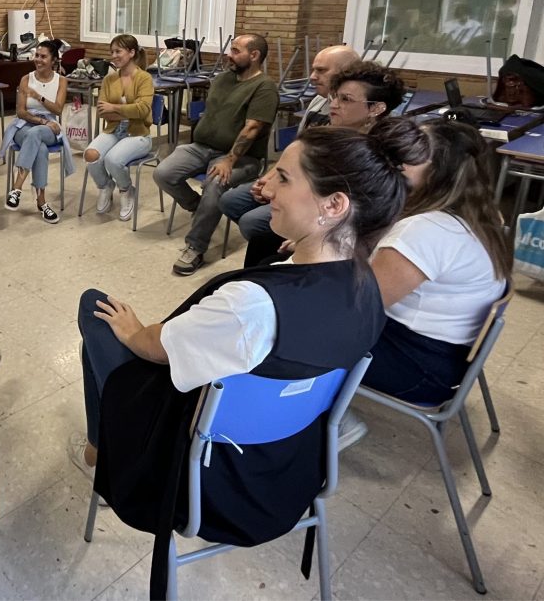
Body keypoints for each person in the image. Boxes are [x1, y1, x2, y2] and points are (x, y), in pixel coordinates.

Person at [71, 121, 418, 597]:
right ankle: (99, 443)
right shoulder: (369, 291)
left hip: (202, 482)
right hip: (289, 469)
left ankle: (102, 446)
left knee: (96, 310)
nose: (266, 187)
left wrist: (133, 332)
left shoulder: (252, 304)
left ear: (334, 206)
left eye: (284, 178)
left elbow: (158, 347)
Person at [340, 117, 512, 447]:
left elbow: (357, 307)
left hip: (419, 368)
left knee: (299, 329)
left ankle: (333, 422)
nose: (397, 162)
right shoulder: (483, 213)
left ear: (437, 171)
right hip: (445, 356)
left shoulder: (427, 230)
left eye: (412, 155)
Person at [234, 59, 405, 267]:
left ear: (376, 108)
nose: (333, 104)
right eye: (335, 96)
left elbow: (371, 216)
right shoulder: (336, 132)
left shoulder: (378, 152)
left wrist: (310, 240)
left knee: (260, 237)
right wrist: (272, 179)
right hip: (318, 218)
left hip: (338, 235)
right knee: (258, 239)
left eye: (346, 99)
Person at [153, 34, 278, 275]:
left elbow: (253, 128)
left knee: (215, 182)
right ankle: (198, 207)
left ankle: (196, 247)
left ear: (254, 55)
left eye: (236, 51)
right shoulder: (222, 79)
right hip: (201, 147)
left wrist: (229, 161)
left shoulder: (264, 87)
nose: (229, 55)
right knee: (163, 173)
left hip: (241, 157)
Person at [219, 46, 360, 260]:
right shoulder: (318, 101)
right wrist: (269, 178)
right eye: (314, 69)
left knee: (252, 223)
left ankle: (289, 238)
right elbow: (296, 148)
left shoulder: (353, 115)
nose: (312, 77)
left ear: (346, 72)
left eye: (321, 71)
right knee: (231, 200)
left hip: (313, 192)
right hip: (292, 177)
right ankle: (281, 233)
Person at [0, 39, 72, 224]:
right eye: (36, 55)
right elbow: (21, 112)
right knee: (38, 145)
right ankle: (42, 202)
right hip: (25, 125)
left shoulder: (61, 81)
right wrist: (42, 121)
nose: (38, 59)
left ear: (53, 60)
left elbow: (57, 109)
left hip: (49, 128)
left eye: (43, 56)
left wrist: (38, 97)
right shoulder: (26, 79)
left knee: (36, 135)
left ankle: (16, 188)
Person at [83, 34, 154, 222]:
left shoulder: (144, 78)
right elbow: (102, 111)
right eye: (112, 52)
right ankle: (105, 186)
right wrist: (127, 112)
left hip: (138, 134)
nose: (113, 56)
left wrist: (114, 108)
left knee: (113, 159)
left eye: (118, 51)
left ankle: (126, 190)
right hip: (114, 130)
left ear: (131, 52)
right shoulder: (109, 79)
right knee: (90, 154)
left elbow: (143, 110)